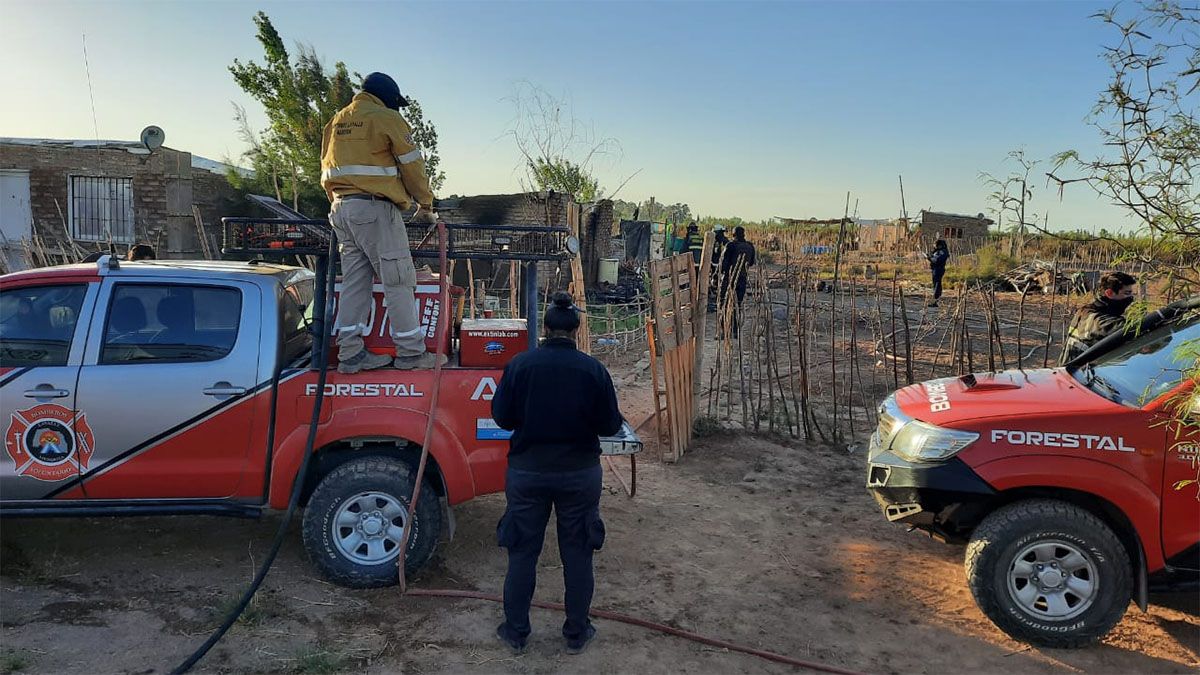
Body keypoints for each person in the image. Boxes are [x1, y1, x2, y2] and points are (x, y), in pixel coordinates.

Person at [490, 291, 624, 656]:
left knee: (522, 553)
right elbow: (610, 424)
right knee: (578, 554)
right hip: (578, 475)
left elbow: (501, 418)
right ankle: (576, 634)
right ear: (577, 331)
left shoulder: (520, 365)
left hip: (528, 473)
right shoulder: (593, 371)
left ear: (545, 329)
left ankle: (516, 632)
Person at [320, 71, 442, 374]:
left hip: (341, 209)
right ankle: (412, 353)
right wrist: (426, 204)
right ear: (388, 98)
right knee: (399, 278)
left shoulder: (336, 121)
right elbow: (412, 166)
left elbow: (325, 166)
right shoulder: (386, 118)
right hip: (375, 209)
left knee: (355, 281)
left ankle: (349, 353)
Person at [1060, 271, 1137, 364]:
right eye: (1127, 293)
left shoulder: (1086, 310)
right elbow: (1124, 328)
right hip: (1076, 375)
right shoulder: (1095, 319)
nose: (1131, 298)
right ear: (1109, 293)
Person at [718, 226, 756, 338]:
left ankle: (725, 331)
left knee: (724, 304)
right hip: (742, 279)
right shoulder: (750, 247)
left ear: (734, 235)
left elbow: (723, 264)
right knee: (737, 305)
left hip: (730, 278)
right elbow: (752, 262)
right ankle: (735, 331)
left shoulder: (730, 246)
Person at [707, 225, 729, 312]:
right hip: (719, 264)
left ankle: (717, 297)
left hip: (717, 264)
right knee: (717, 281)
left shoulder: (718, 241)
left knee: (716, 281)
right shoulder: (725, 241)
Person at [926, 239, 949, 307]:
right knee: (935, 283)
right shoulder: (938, 251)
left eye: (935, 245)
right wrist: (930, 256)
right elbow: (934, 256)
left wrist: (930, 258)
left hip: (938, 269)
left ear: (939, 245)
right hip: (935, 268)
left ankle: (935, 300)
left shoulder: (943, 252)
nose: (934, 246)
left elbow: (937, 260)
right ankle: (935, 299)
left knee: (937, 284)